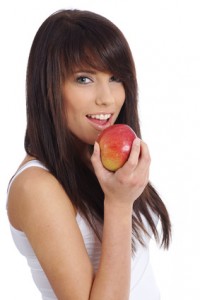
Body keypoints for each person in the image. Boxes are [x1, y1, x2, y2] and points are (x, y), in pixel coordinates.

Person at [7, 9, 171, 300]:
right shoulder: (36, 187)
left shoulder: (97, 159)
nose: (107, 98)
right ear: (48, 89)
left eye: (115, 78)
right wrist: (119, 205)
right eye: (84, 79)